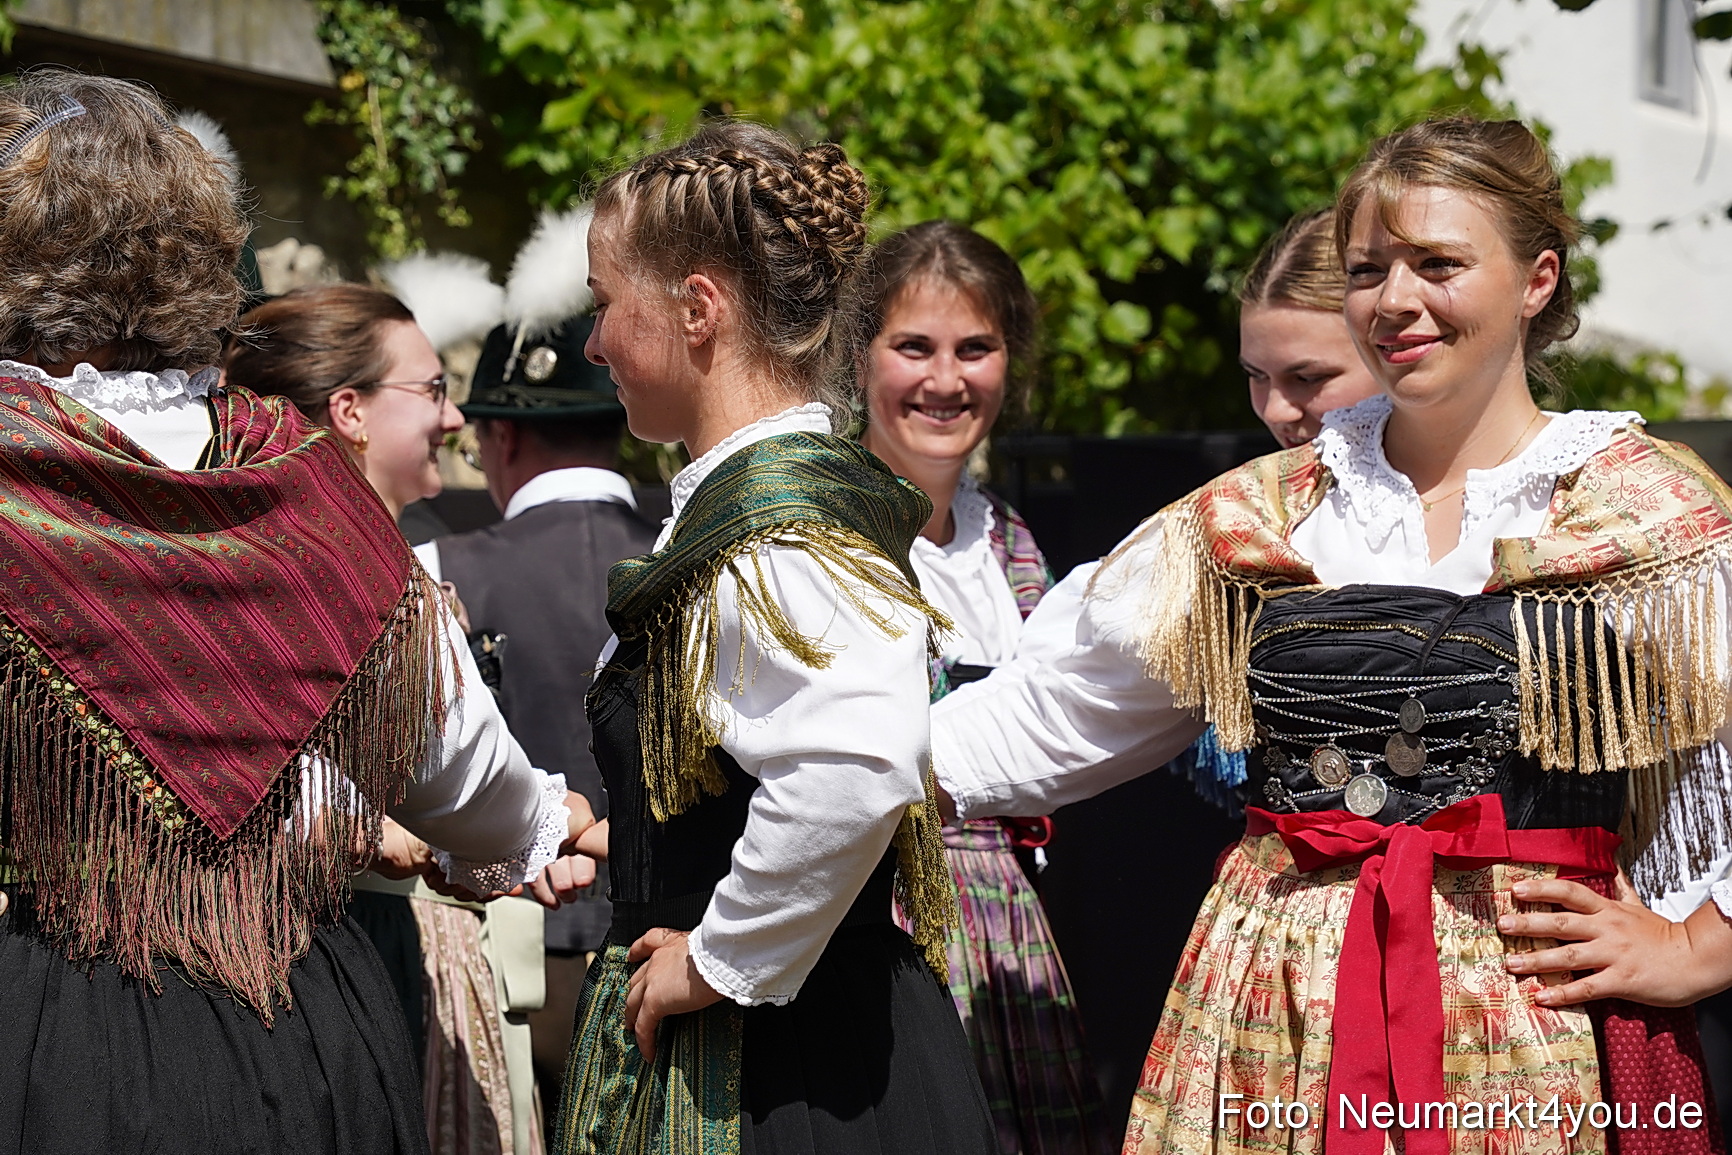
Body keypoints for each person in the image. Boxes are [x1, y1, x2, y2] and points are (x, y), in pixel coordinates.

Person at [932, 116, 1732, 1155]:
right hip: (1273, 1024)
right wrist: (814, 779)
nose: (1393, 301)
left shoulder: (1648, 520)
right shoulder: (1254, 519)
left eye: (1437, 263)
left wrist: (1700, 946)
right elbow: (1035, 723)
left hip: (1529, 1038)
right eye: (1366, 269)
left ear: (1536, 281)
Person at [0, 69, 595, 1155]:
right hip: (304, 1020)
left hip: (61, 1022)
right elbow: (468, 777)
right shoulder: (309, 483)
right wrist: (546, 821)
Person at [551, 120, 997, 1155]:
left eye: (605, 303)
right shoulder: (760, 511)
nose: (594, 342)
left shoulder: (778, 530)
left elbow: (855, 767)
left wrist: (717, 957)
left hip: (780, 1075)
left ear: (697, 309)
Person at [224, 282, 583, 1155]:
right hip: (344, 952)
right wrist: (527, 824)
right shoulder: (305, 579)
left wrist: (505, 842)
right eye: (431, 390)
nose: (455, 417)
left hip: (435, 948)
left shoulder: (403, 576)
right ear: (348, 410)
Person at [854, 219, 1111, 1155]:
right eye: (912, 346)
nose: (946, 380)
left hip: (1005, 917)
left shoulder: (1005, 541)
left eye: (976, 348)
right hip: (866, 912)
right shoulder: (825, 537)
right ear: (858, 354)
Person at [416, 285, 659, 1125]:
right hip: (679, 948)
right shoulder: (696, 554)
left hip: (509, 956)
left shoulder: (434, 562)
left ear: (500, 434)